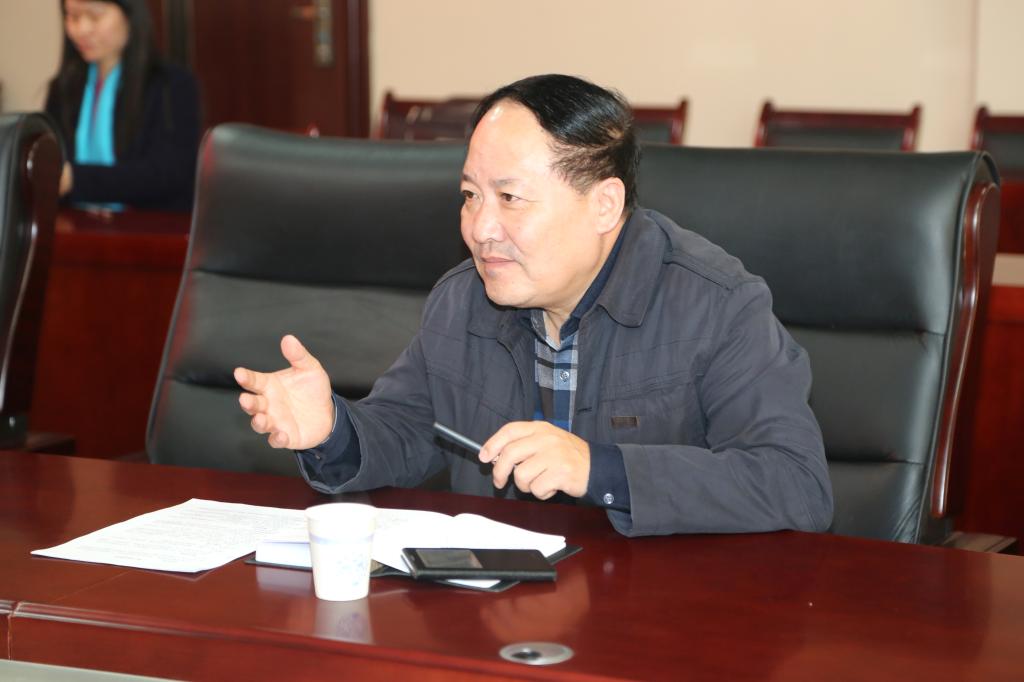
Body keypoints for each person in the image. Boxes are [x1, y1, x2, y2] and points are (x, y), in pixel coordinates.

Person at [235, 74, 834, 536]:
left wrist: (598, 469)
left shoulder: (716, 305)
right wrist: (331, 430)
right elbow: (410, 430)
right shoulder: (465, 298)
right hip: (497, 609)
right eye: (470, 195)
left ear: (604, 205)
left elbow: (796, 484)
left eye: (510, 198)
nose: (480, 229)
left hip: (661, 615)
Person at [45, 0, 201, 211]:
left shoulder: (171, 85)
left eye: (94, 16)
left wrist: (75, 179)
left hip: (149, 227)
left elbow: (168, 175)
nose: (81, 29)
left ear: (130, 15)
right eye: (72, 16)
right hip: (77, 225)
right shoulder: (63, 87)